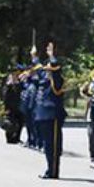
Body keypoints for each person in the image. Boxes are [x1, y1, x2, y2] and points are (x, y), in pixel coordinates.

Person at [34, 42, 66, 179]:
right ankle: (49, 169)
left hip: (52, 114)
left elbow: (55, 68)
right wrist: (34, 57)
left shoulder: (57, 79)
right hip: (42, 114)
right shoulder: (44, 78)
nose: (46, 69)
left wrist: (52, 56)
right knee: (47, 145)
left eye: (49, 67)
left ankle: (53, 171)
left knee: (52, 146)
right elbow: (38, 70)